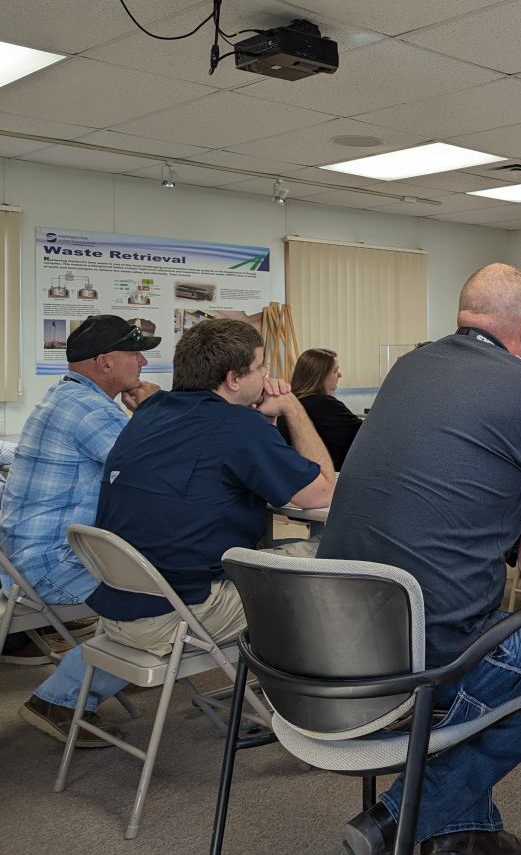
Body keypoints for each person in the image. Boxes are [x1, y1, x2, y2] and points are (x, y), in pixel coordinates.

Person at [319, 263, 521, 855]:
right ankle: (403, 817)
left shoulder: (408, 368)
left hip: (327, 641)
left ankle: (462, 836)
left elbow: (446, 487)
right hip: (424, 657)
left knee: (475, 626)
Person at [88, 319, 334, 659]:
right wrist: (292, 405)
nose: (266, 377)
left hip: (120, 605)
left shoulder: (151, 411)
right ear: (234, 379)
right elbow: (322, 493)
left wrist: (263, 429)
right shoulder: (237, 424)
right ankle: (316, 691)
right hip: (182, 613)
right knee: (337, 550)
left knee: (273, 552)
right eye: (261, 368)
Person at [1, 316, 160, 746]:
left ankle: (90, 674)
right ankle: (60, 700)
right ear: (106, 363)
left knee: (156, 583)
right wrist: (157, 411)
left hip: (25, 559)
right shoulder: (89, 411)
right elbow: (159, 471)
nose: (143, 361)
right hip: (49, 565)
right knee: (166, 602)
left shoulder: (66, 397)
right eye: (134, 353)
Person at [277, 348, 363, 470]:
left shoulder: (291, 402)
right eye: (335, 371)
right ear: (319, 376)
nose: (340, 375)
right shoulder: (324, 404)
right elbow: (364, 435)